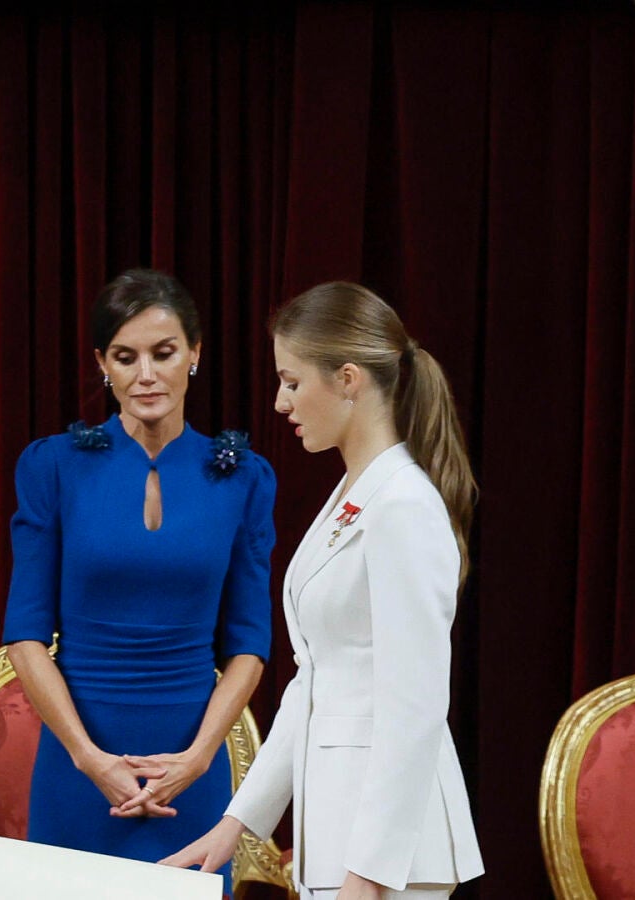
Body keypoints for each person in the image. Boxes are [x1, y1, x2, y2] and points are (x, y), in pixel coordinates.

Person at [162, 282, 485, 899]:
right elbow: (316, 681)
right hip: (341, 840)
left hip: (388, 859)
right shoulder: (354, 495)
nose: (280, 401)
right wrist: (235, 824)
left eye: (291, 381)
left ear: (347, 379)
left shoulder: (403, 504)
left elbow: (415, 705)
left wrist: (368, 871)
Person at [1, 268, 276, 889]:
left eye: (164, 353)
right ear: (103, 364)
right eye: (126, 357)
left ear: (194, 354)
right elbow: (24, 634)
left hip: (191, 774)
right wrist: (88, 758)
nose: (146, 374)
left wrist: (198, 759)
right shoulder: (53, 467)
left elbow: (249, 644)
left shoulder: (243, 478)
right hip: (79, 770)